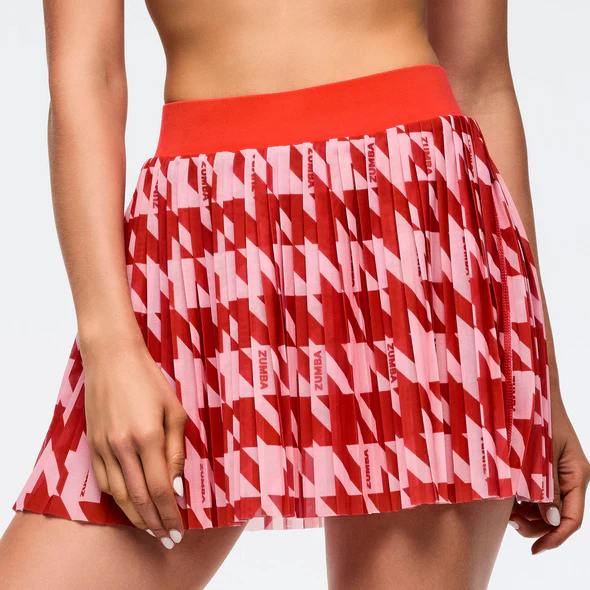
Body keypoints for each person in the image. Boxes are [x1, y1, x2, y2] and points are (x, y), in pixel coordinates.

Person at [0, 0, 588, 588]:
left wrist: (540, 375)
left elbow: (478, 80)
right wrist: (109, 348)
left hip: (415, 232)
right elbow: (88, 75)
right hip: (204, 237)